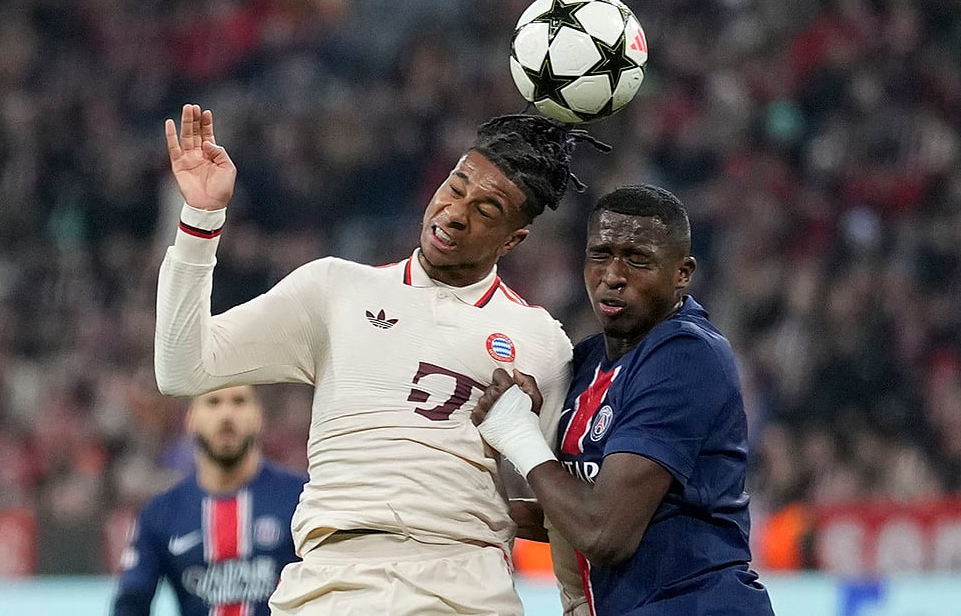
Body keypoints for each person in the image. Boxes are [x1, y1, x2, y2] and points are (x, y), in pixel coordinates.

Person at [153, 104, 609, 614]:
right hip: (327, 583)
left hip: (461, 585)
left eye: (486, 210)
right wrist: (200, 219)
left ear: (514, 239)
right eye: (456, 188)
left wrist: (576, 605)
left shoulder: (540, 341)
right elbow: (184, 367)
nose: (456, 214)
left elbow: (559, 509)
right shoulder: (334, 288)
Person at [475, 185, 775, 615]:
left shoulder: (685, 354)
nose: (613, 275)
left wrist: (519, 437)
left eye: (637, 259)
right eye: (600, 254)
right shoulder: (588, 359)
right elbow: (575, 515)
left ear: (682, 273)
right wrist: (468, 505)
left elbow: (605, 535)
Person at [112, 384, 308, 616]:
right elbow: (131, 603)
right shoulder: (160, 513)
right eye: (213, 402)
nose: (226, 414)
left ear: (258, 416)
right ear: (191, 419)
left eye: (239, 401)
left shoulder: (302, 499)